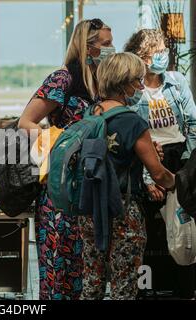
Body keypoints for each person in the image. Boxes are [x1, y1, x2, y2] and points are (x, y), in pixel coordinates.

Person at [18, 18, 115, 300]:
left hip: (91, 188)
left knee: (89, 274)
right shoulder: (64, 79)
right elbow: (26, 121)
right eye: (106, 44)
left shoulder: (103, 82)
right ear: (88, 47)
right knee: (59, 274)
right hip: (61, 189)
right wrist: (63, 144)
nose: (111, 49)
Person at [78, 52, 176, 300]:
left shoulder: (91, 113)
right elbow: (159, 175)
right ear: (124, 83)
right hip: (123, 212)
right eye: (138, 81)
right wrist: (180, 183)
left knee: (92, 283)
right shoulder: (133, 121)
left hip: (89, 209)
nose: (141, 87)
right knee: (124, 287)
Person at [124, 29, 196, 299]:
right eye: (158, 49)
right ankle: (147, 288)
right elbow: (135, 136)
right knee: (149, 230)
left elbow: (192, 123)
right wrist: (147, 176)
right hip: (150, 158)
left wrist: (189, 165)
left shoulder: (176, 81)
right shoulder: (133, 89)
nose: (163, 54)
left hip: (180, 158)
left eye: (164, 48)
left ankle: (184, 289)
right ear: (142, 56)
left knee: (184, 224)